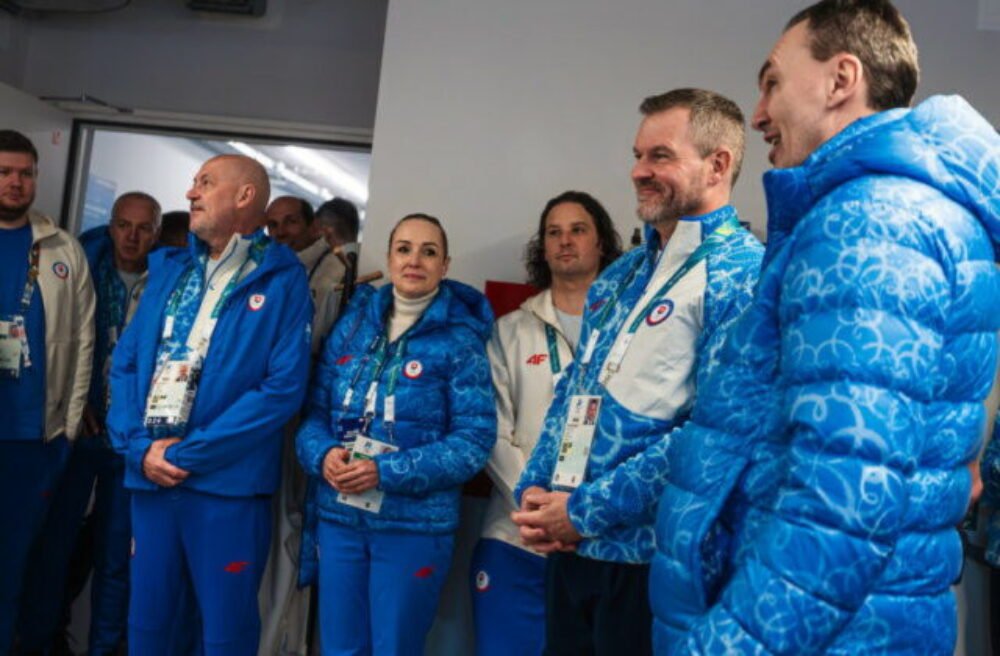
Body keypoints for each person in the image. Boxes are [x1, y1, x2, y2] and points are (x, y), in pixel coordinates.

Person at [648, 2, 1000, 654]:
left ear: (841, 80)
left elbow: (843, 503)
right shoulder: (894, 210)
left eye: (773, 81)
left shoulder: (870, 221)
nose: (757, 113)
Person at [512, 89, 763, 655]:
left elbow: (714, 437)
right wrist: (538, 488)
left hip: (652, 559)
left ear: (718, 163)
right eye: (637, 154)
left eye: (660, 156)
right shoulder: (622, 274)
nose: (637, 172)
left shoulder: (743, 274)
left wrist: (582, 512)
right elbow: (575, 394)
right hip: (572, 550)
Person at [107, 154, 313, 656]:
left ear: (245, 197)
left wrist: (186, 454)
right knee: (148, 631)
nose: (190, 194)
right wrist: (139, 449)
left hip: (226, 489)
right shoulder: (169, 271)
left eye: (205, 183)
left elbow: (281, 391)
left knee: (224, 637)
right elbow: (126, 367)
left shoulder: (283, 281)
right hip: (150, 480)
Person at [296, 213, 496, 656]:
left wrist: (383, 471)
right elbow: (313, 417)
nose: (414, 260)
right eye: (404, 248)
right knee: (340, 649)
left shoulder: (462, 340)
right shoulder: (352, 326)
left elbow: (474, 441)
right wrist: (324, 453)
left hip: (412, 528)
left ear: (445, 265)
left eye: (429, 251)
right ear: (388, 258)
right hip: (341, 520)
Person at [472, 191, 622, 656]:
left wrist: (582, 514)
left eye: (578, 230)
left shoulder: (630, 325)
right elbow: (493, 428)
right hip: (518, 535)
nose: (565, 241)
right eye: (553, 232)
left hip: (602, 538)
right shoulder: (511, 330)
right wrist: (537, 507)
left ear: (601, 244)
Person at [17, 192, 161, 655]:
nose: (131, 237)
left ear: (156, 233)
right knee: (54, 546)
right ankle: (42, 640)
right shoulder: (81, 268)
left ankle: (104, 646)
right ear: (111, 225)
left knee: (116, 555)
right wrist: (76, 407)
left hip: (131, 440)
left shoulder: (168, 282)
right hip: (80, 430)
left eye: (142, 228)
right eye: (123, 225)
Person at [0, 129, 96, 654]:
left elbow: (83, 342)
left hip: (33, 440)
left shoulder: (63, 249)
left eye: (26, 172)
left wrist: (68, 426)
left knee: (16, 564)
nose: (16, 183)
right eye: (5, 172)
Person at [266, 195, 346, 353]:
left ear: (314, 227)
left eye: (291, 222)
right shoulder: (264, 267)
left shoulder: (337, 271)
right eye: (273, 225)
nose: (281, 232)